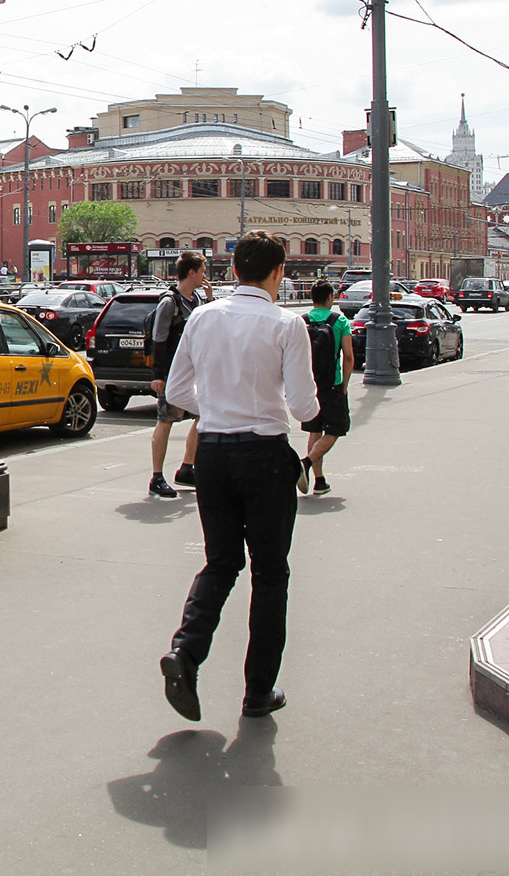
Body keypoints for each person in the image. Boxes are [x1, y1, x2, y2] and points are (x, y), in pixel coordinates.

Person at [158, 232, 318, 723]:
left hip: (213, 456)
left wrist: (220, 409)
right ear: (278, 272)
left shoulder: (203, 316)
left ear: (233, 271)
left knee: (221, 562)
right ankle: (258, 692)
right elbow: (305, 406)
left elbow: (177, 388)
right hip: (266, 457)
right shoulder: (287, 324)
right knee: (270, 574)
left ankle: (185, 653)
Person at [148, 251, 211, 499]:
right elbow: (159, 339)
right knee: (165, 421)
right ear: (192, 273)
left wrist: (209, 299)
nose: (205, 276)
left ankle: (187, 467)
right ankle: (157, 477)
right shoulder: (169, 302)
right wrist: (159, 375)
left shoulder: (195, 299)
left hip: (191, 375)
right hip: (172, 376)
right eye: (203, 271)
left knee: (203, 414)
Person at [301, 280, 355, 496]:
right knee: (335, 429)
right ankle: (305, 464)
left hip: (309, 385)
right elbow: (349, 356)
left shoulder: (301, 321)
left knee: (315, 430)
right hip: (332, 385)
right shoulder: (339, 320)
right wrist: (345, 385)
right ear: (330, 297)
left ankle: (319, 480)